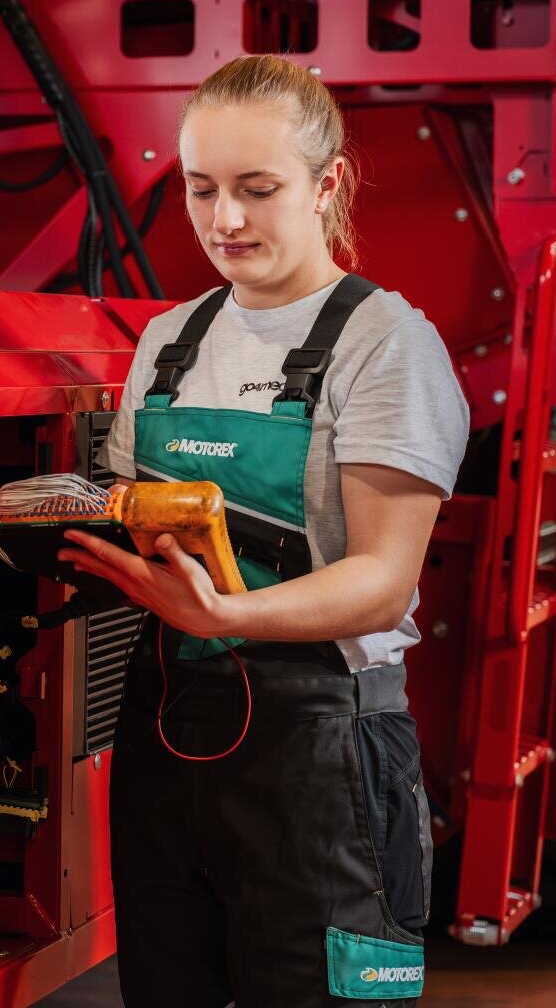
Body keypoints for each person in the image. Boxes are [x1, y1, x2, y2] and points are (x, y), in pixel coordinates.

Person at [56, 54, 469, 1005]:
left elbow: (383, 580)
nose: (224, 221)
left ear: (326, 184)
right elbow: (134, 516)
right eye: (201, 190)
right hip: (165, 747)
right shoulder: (169, 341)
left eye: (256, 189)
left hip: (324, 762)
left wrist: (220, 616)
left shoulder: (384, 343)